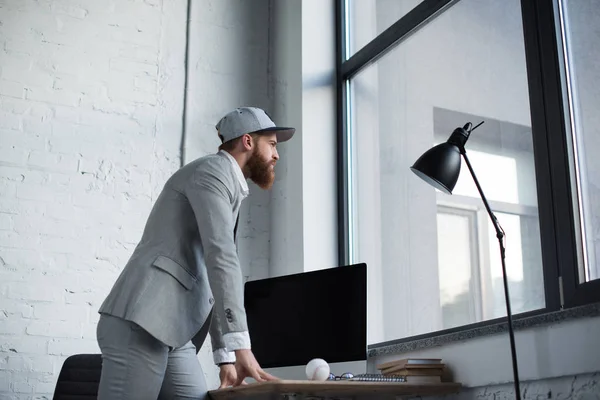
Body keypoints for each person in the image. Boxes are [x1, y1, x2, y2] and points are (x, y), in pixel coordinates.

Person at [96, 107, 296, 399]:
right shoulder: (212, 173)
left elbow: (210, 274)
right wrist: (242, 348)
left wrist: (225, 357)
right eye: (273, 144)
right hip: (141, 321)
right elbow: (221, 258)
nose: (277, 155)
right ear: (248, 142)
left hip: (173, 329)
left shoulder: (226, 183)